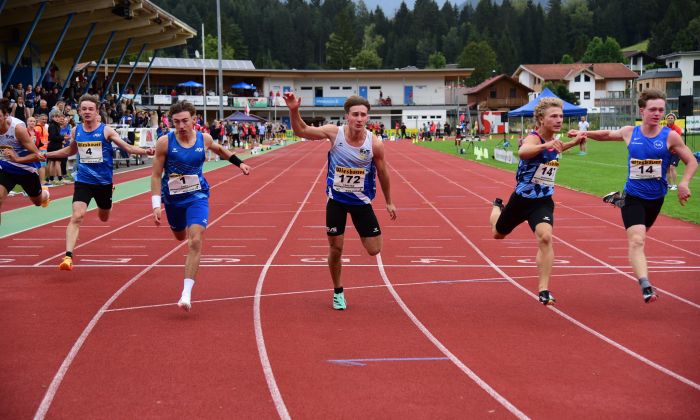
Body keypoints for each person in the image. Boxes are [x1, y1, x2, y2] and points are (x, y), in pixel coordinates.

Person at [568, 89, 697, 303]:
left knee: (641, 234)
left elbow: (691, 160)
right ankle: (645, 284)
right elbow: (606, 135)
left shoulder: (670, 136)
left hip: (656, 198)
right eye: (653, 109)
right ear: (642, 110)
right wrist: (583, 133)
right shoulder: (631, 132)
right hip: (634, 195)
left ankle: (618, 200)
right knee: (637, 240)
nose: (657, 113)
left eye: (661, 110)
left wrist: (684, 183)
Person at [283, 92, 397, 310]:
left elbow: (383, 172)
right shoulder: (335, 134)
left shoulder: (374, 144)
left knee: (374, 249)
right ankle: (338, 291)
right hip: (336, 200)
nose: (359, 119)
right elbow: (302, 131)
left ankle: (357, 235)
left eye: (363, 115)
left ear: (367, 118)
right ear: (347, 116)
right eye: (355, 114)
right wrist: (293, 110)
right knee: (336, 249)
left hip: (361, 202)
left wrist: (389, 201)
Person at [150, 101, 251, 312]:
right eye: (176, 122)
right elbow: (156, 174)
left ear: (194, 120)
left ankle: (186, 293)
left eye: (185, 121)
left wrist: (239, 163)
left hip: (198, 196)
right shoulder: (164, 143)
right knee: (180, 235)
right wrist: (156, 204)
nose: (181, 125)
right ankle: (178, 226)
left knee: (195, 239)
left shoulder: (203, 138)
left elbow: (221, 150)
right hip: (173, 199)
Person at [490, 97, 585, 305]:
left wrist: (572, 143)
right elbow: (523, 152)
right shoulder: (533, 138)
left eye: (561, 116)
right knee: (498, 234)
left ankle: (543, 290)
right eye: (554, 116)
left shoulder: (554, 141)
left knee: (545, 238)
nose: (559, 120)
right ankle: (497, 207)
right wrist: (547, 146)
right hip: (521, 200)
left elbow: (555, 150)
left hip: (542, 200)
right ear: (541, 119)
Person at [44, 94, 155, 271]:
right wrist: (47, 154)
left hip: (103, 182)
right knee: (77, 216)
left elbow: (127, 147)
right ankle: (68, 257)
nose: (87, 112)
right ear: (79, 112)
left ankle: (110, 193)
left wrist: (146, 151)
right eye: (84, 109)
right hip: (83, 180)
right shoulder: (76, 131)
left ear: (97, 112)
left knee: (104, 217)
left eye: (91, 109)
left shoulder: (106, 131)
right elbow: (69, 151)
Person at [0, 98, 50, 224]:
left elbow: (37, 155)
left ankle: (45, 194)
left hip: (26, 170)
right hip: (6, 168)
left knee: (38, 202)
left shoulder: (17, 129)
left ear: (6, 115)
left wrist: (17, 158)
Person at [664, 113, 683, 190]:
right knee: (667, 168)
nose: (670, 119)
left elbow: (676, 140)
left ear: (674, 119)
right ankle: (669, 184)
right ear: (666, 119)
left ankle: (675, 185)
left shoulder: (677, 129)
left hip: (675, 151)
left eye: (672, 118)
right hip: (667, 152)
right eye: (669, 118)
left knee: (672, 167)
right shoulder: (664, 129)